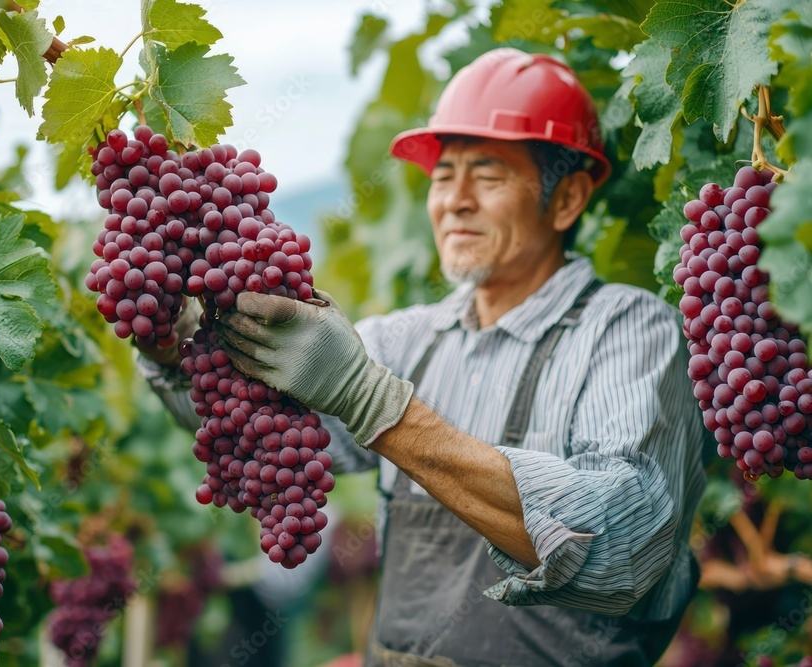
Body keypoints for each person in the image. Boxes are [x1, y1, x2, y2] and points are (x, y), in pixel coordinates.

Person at [139, 48, 706, 666]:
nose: (454, 200)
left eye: (487, 175)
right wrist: (179, 351)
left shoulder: (627, 329)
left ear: (567, 199)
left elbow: (624, 549)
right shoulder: (407, 339)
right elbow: (256, 438)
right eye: (442, 176)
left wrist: (377, 404)